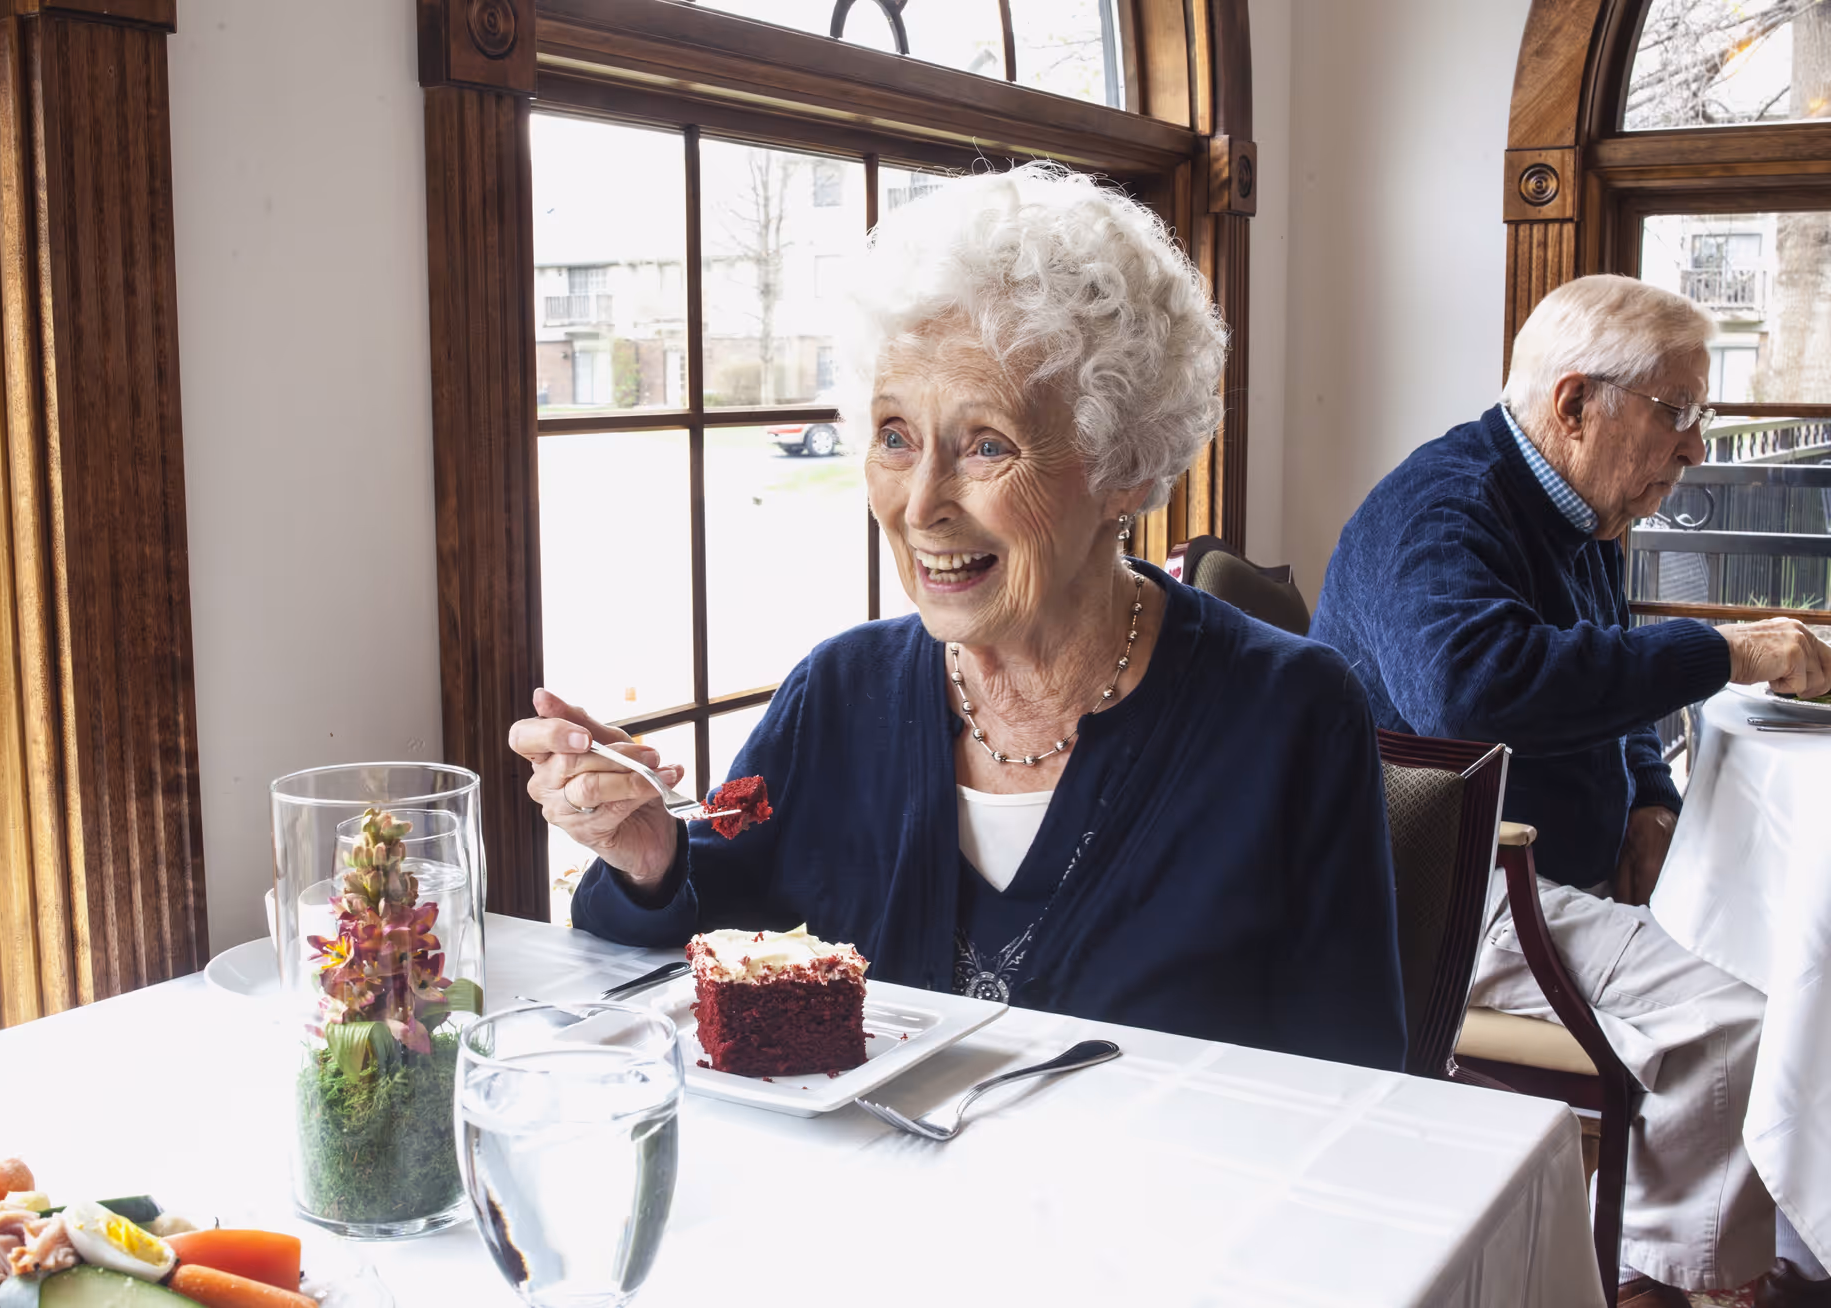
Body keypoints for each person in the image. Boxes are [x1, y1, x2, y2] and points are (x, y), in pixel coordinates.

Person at [511, 162, 1407, 1070]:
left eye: (987, 445)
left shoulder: (1289, 715)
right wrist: (649, 858)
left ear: (1123, 467)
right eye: (896, 436)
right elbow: (697, 947)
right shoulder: (838, 694)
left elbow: (1363, 1089)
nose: (922, 503)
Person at [1310, 274, 1831, 1304]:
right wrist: (1728, 651)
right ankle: (1662, 1277)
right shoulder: (1443, 505)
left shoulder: (1572, 510)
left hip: (1545, 867)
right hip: (1440, 892)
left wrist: (1647, 796)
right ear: (1576, 402)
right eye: (1677, 414)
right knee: (1748, 1022)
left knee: (1772, 963)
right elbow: (1479, 688)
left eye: (1700, 417)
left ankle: (1713, 1235)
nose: (1694, 448)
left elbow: (1602, 669)